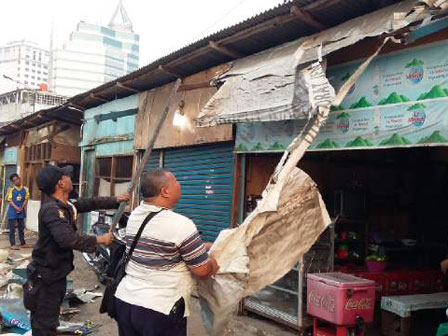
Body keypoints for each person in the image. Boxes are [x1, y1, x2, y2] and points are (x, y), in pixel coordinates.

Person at [24, 165, 130, 336]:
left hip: (55, 274)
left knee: (50, 319)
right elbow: (67, 239)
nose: (69, 178)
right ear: (60, 183)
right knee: (44, 324)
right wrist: (99, 239)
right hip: (45, 278)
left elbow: (89, 203)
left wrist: (115, 200)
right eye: (66, 176)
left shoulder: (65, 205)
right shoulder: (52, 210)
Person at [114, 168, 219, 336]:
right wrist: (214, 260)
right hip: (159, 310)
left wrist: (201, 246)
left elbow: (159, 245)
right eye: (176, 181)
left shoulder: (135, 215)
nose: (180, 184)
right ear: (165, 191)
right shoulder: (181, 224)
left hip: (126, 302)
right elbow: (203, 270)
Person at [7, 173, 31, 250]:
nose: (16, 181)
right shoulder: (11, 189)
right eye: (14, 180)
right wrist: (16, 207)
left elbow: (26, 199)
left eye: (17, 179)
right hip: (12, 211)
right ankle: (13, 244)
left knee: (21, 228)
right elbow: (9, 200)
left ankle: (22, 243)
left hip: (21, 211)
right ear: (13, 182)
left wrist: (21, 207)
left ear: (19, 179)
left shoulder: (25, 189)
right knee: (12, 228)